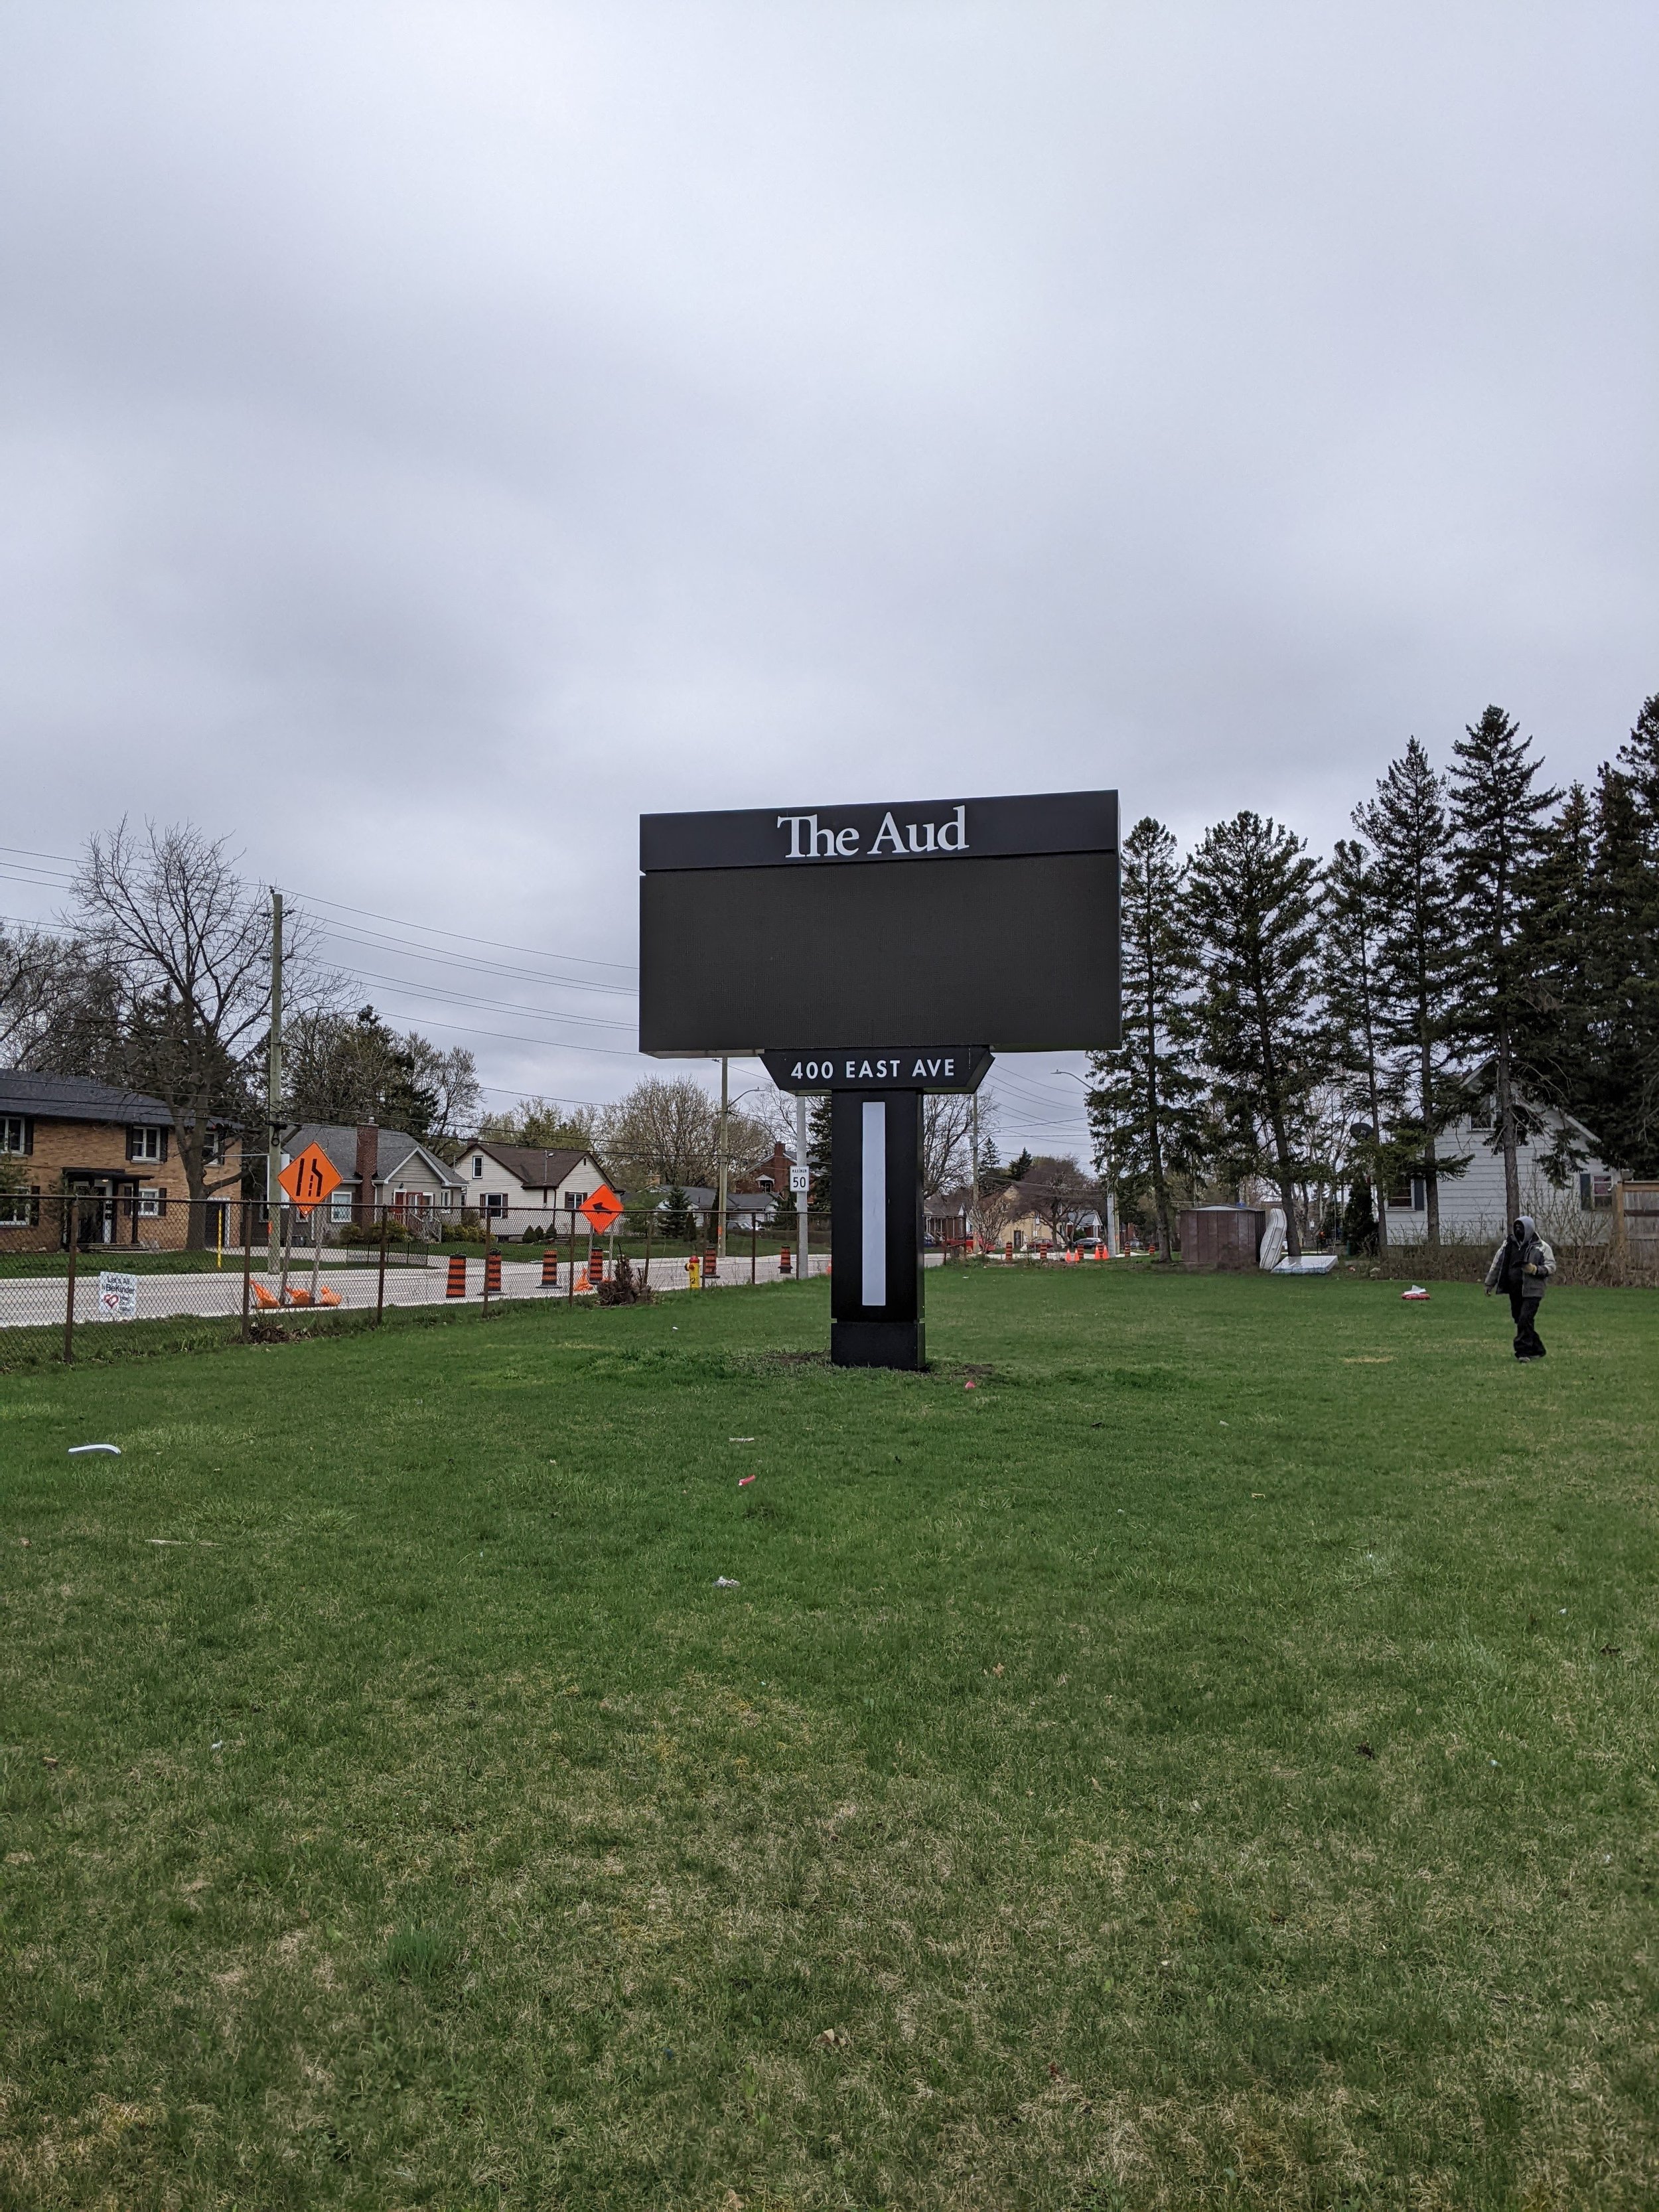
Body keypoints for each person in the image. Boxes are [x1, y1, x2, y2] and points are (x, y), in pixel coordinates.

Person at [1484, 1214, 1554, 1361]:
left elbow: (1551, 1267)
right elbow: (1498, 1263)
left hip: (1533, 1290)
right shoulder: (1508, 1244)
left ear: (1529, 1229)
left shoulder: (1542, 1247)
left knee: (1525, 1319)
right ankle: (1537, 1349)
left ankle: (1523, 1352)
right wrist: (1490, 1283)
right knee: (1520, 1320)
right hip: (1515, 1289)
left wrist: (1535, 1270)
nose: (1518, 1230)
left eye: (1521, 1227)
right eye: (1516, 1227)